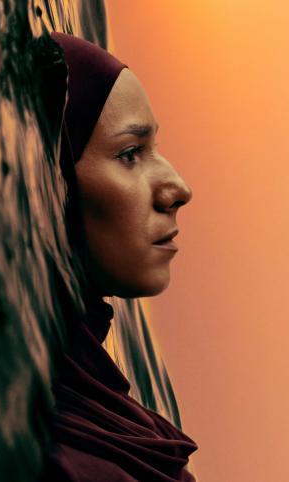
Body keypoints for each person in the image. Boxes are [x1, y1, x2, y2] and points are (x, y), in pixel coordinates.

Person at [39, 32, 198, 482]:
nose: (178, 189)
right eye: (130, 153)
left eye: (154, 149)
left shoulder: (111, 418)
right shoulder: (72, 460)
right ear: (52, 182)